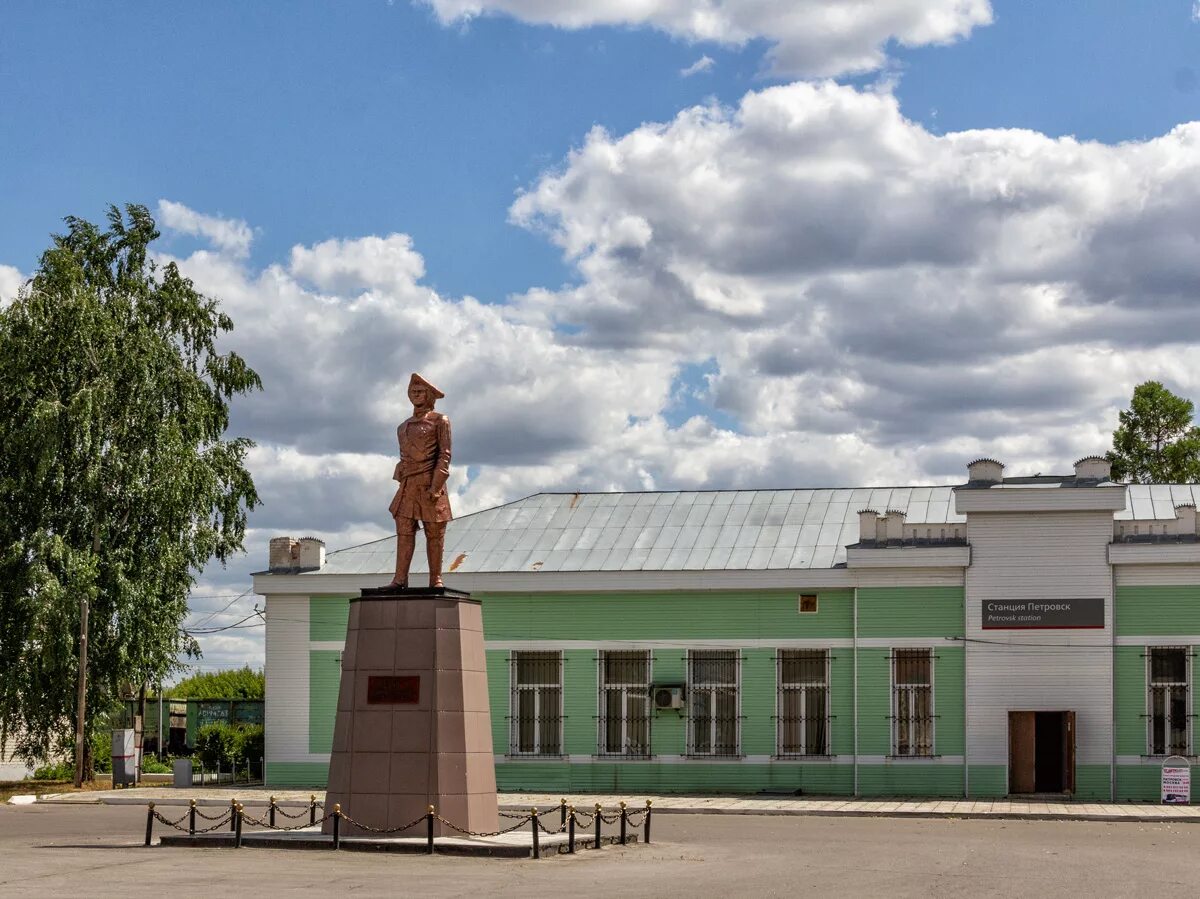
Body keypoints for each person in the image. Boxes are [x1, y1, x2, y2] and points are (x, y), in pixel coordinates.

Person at [389, 373, 452, 587]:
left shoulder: (439, 421)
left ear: (431, 395)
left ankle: (436, 579)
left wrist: (436, 487)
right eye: (412, 389)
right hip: (408, 486)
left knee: (434, 532)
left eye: (421, 389)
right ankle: (399, 579)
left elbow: (444, 455)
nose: (415, 392)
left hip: (429, 484)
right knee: (404, 531)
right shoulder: (402, 427)